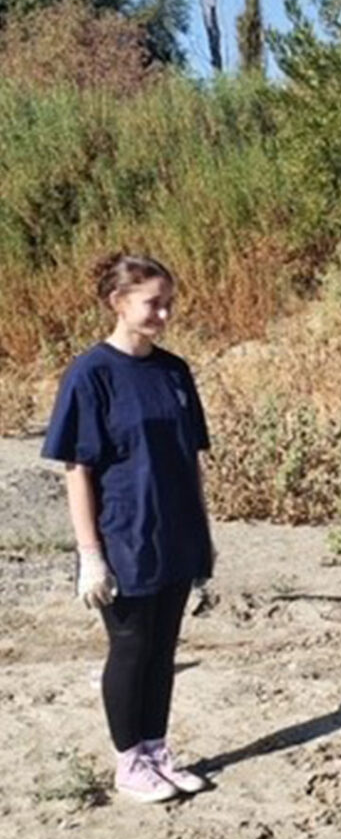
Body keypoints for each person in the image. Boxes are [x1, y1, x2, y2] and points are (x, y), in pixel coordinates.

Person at [42, 253, 214, 803]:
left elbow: (189, 459)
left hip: (176, 529)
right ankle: (127, 763)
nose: (164, 313)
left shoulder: (174, 371)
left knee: (164, 647)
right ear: (118, 303)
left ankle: (156, 751)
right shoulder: (91, 374)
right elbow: (79, 469)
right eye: (152, 303)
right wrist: (90, 553)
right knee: (132, 647)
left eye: (168, 303)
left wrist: (203, 533)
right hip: (124, 533)